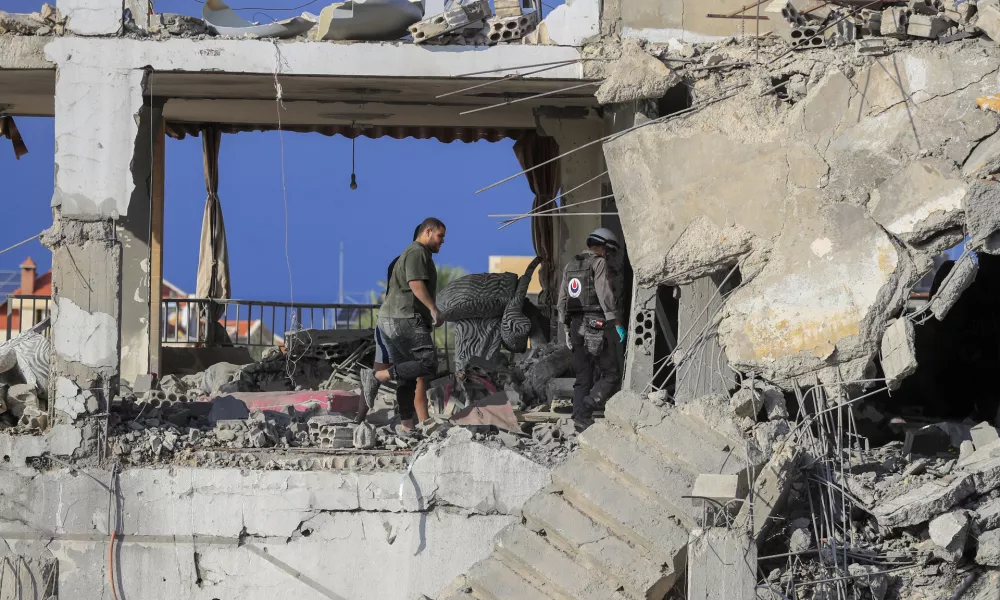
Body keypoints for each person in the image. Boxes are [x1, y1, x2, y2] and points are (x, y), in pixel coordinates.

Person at [365, 217, 446, 432]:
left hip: (391, 320)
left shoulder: (413, 253)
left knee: (407, 377)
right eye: (440, 236)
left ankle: (407, 426)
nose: (442, 241)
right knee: (428, 363)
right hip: (405, 319)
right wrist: (433, 309)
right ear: (427, 232)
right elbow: (416, 283)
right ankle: (379, 376)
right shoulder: (417, 252)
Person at [357, 224, 429, 424]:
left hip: (385, 324)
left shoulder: (398, 262)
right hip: (402, 324)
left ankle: (360, 420)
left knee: (380, 372)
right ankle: (420, 421)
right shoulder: (412, 262)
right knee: (416, 372)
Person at [557, 227, 626, 431]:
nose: (608, 255)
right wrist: (617, 323)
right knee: (611, 374)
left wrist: (567, 330)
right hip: (595, 324)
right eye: (609, 251)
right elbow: (604, 295)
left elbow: (562, 301)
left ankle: (579, 417)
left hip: (575, 324)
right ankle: (587, 407)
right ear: (604, 247)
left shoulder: (570, 265)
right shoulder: (599, 263)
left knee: (583, 376)